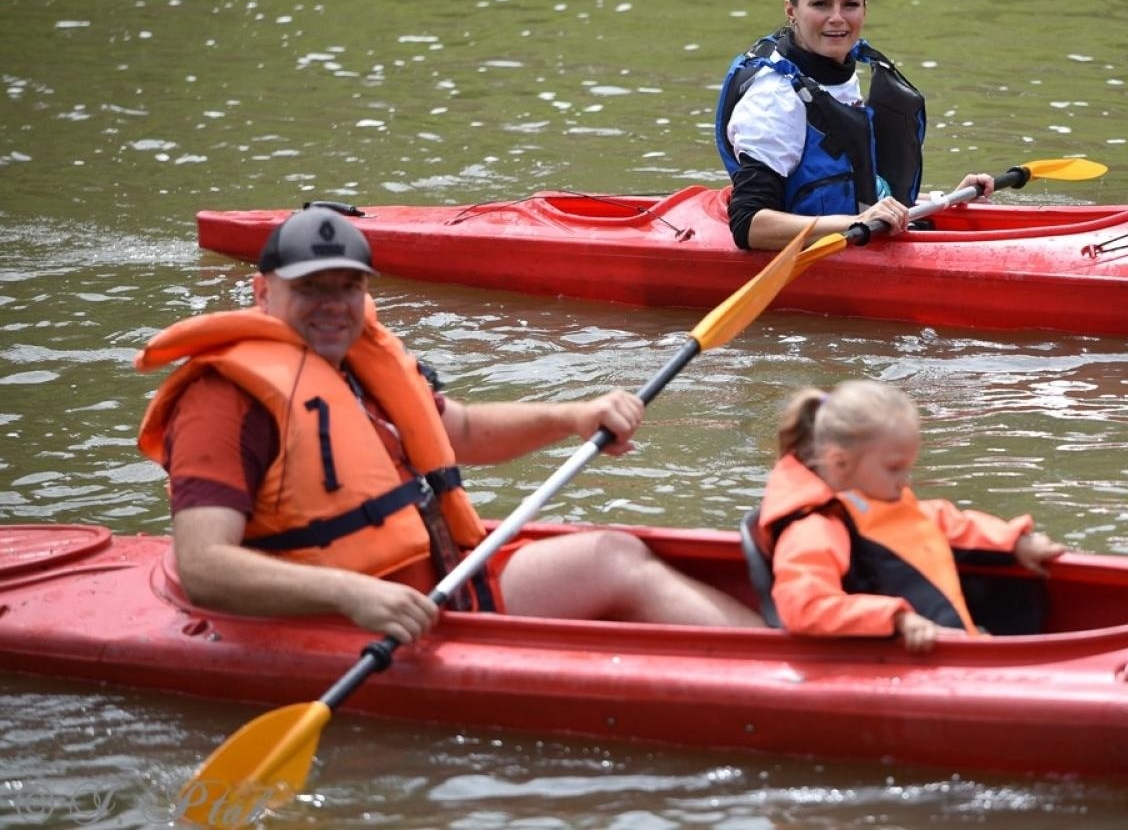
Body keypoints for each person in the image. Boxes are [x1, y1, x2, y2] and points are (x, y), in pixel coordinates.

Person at [134, 206, 763, 644]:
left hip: (433, 579)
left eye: (348, 287)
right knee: (609, 562)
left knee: (616, 549)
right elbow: (204, 566)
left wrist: (575, 415)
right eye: (312, 287)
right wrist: (350, 597)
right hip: (354, 616)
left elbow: (455, 432)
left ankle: (779, 650)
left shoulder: (357, 360)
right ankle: (791, 673)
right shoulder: (223, 399)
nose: (333, 304)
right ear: (262, 294)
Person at [713, 0, 995, 251]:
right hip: (798, 244)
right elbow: (748, 224)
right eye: (820, 4)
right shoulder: (774, 98)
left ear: (865, 8)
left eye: (850, 4)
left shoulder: (837, 65)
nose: (837, 18)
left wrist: (944, 200)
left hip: (849, 228)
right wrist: (856, 223)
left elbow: (849, 183)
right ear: (791, 10)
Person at [747, 380, 1066, 652]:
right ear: (840, 463)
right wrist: (896, 618)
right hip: (891, 662)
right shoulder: (814, 529)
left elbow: (938, 520)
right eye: (894, 469)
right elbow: (804, 607)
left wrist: (1014, 542)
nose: (906, 480)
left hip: (951, 650)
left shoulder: (873, 499)